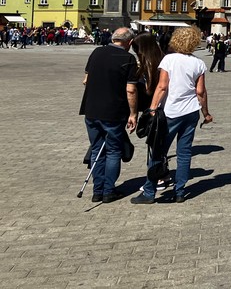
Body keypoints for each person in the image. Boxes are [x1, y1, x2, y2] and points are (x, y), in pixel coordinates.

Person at [131, 27, 213, 204]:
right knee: (184, 152)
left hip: (171, 112)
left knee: (158, 151)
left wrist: (152, 108)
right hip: (191, 113)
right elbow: (200, 91)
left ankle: (149, 191)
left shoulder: (169, 59)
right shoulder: (198, 63)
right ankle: (180, 191)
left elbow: (162, 86)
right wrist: (205, 113)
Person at [79, 27, 138, 203]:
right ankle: (108, 191)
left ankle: (97, 191)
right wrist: (133, 114)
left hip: (91, 110)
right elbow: (131, 89)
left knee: (97, 149)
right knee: (113, 151)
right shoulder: (128, 58)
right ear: (130, 42)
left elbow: (86, 80)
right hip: (113, 111)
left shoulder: (96, 52)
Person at [131, 32, 165, 113]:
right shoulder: (163, 58)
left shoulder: (148, 64)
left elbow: (148, 89)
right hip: (161, 103)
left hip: (150, 105)